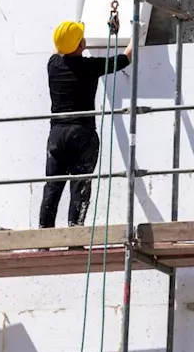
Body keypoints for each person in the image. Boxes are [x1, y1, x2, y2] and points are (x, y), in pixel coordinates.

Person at [39, 19, 134, 229]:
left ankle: (43, 235)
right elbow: (125, 58)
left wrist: (73, 34)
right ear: (80, 45)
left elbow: (61, 47)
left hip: (57, 134)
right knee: (80, 185)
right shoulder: (88, 66)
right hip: (82, 133)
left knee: (53, 186)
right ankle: (76, 232)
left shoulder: (53, 65)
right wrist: (136, 33)